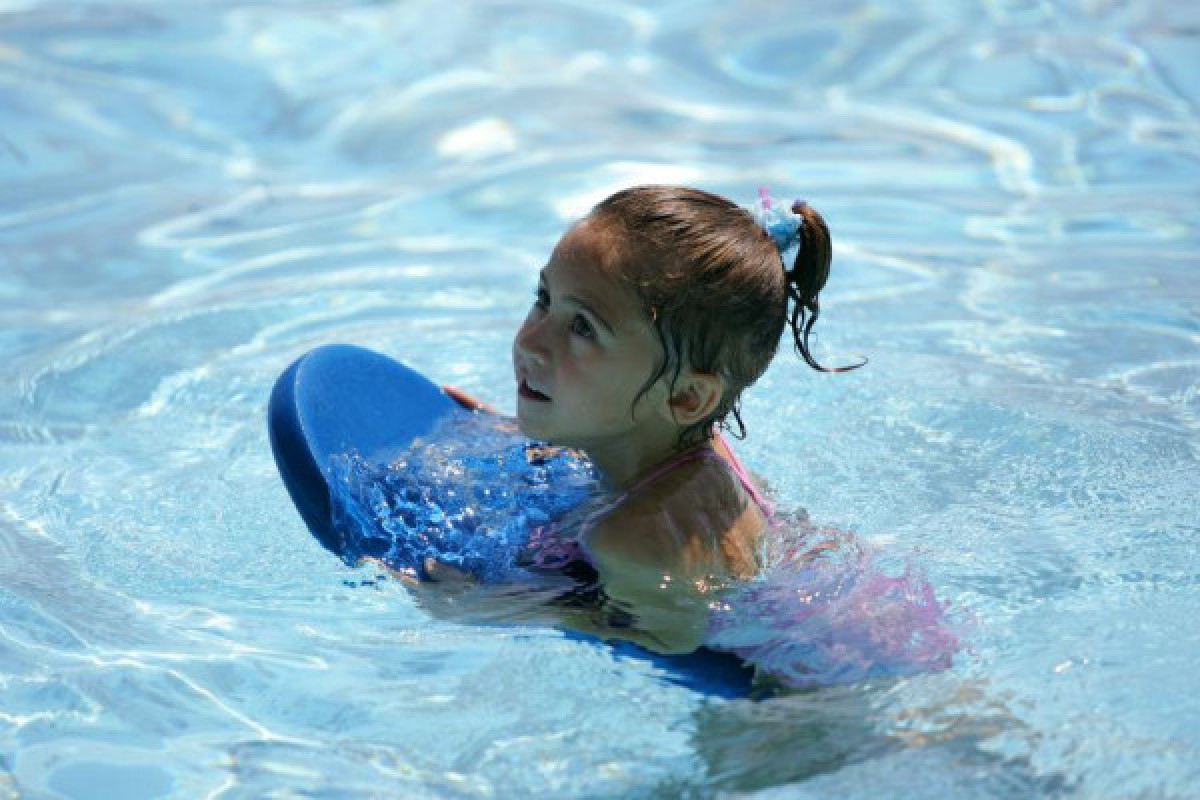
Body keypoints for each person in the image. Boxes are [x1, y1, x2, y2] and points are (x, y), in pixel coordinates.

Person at [434, 185, 856, 655]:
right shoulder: (687, 444)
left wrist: (484, 602)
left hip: (797, 697)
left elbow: (670, 637)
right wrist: (518, 431)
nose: (532, 341)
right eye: (544, 298)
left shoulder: (629, 541)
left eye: (582, 327)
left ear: (687, 397)